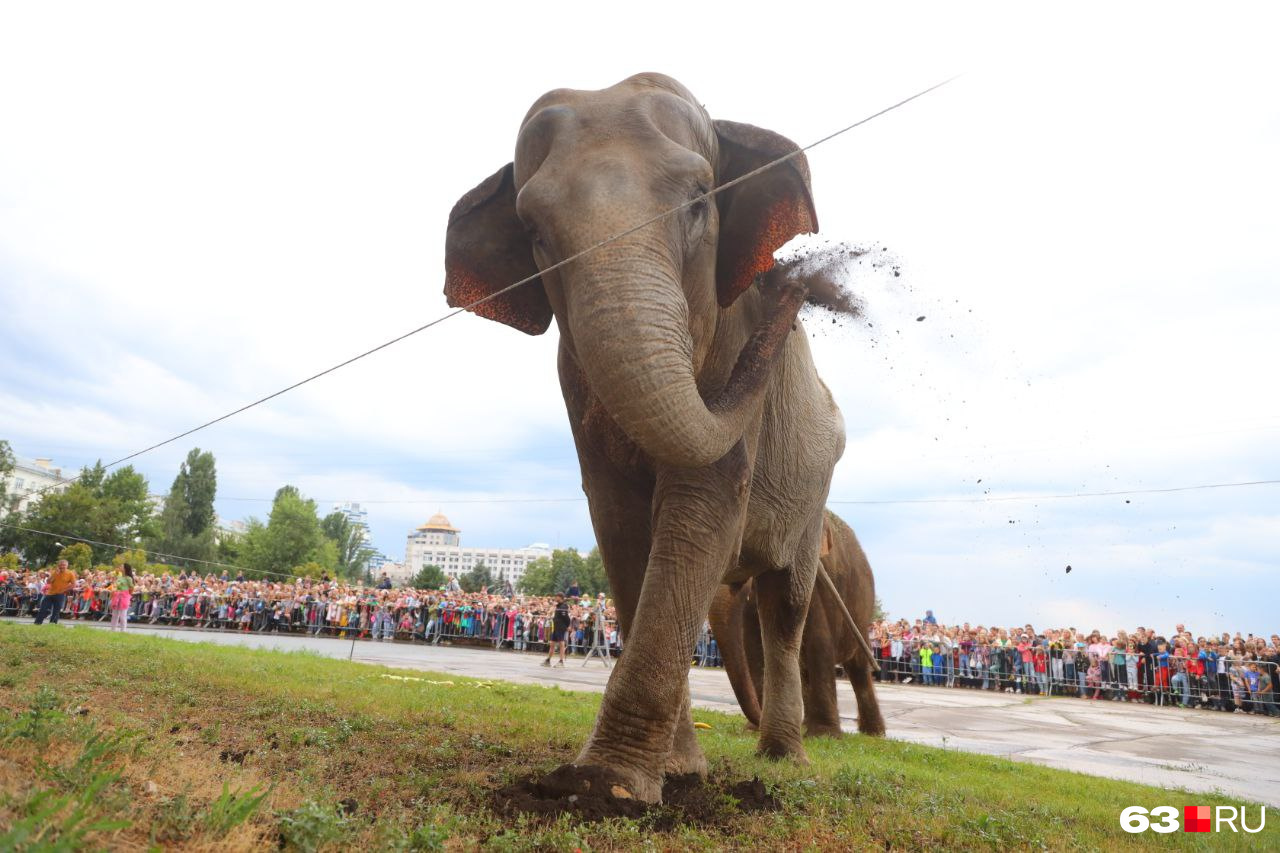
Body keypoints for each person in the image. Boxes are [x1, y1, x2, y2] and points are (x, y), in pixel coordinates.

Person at [33, 560, 76, 625]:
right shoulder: (54, 572)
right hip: (50, 593)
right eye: (61, 565)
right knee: (43, 608)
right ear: (58, 565)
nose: (62, 566)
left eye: (64, 565)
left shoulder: (70, 573)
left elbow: (73, 584)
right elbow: (48, 582)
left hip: (60, 594)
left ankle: (52, 624)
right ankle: (37, 623)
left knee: (56, 611)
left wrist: (64, 590)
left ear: (67, 566)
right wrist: (55, 574)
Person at [543, 592, 571, 667]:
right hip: (555, 627)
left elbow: (566, 618)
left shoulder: (564, 606)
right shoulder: (558, 606)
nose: (555, 598)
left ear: (560, 597)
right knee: (552, 644)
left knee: (561, 644)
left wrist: (568, 625)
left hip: (561, 627)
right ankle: (548, 660)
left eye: (557, 597)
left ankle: (561, 661)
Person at [109, 562, 135, 631]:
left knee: (122, 615)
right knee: (114, 614)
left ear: (125, 569)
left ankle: (123, 631)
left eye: (121, 567)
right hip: (117, 596)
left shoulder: (128, 578)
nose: (120, 567)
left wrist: (127, 595)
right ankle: (112, 630)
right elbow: (116, 586)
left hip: (124, 597)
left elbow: (131, 588)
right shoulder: (119, 577)